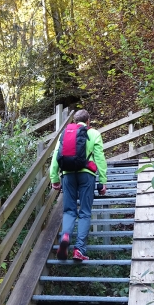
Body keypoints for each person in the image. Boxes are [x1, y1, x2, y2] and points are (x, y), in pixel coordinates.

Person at [50, 109, 107, 261]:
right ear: (88, 121)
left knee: (69, 211)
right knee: (85, 212)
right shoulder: (94, 134)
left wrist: (54, 178)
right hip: (87, 175)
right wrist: (102, 181)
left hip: (67, 175)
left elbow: (56, 157)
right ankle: (79, 250)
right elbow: (100, 159)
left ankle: (66, 236)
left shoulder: (65, 133)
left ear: (75, 122)